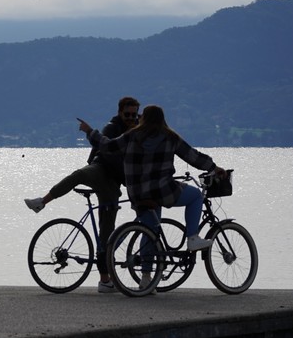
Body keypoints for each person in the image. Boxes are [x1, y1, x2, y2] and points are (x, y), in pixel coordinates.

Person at [23, 96, 139, 292]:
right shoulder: (112, 128)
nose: (130, 117)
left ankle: (105, 280)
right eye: (127, 114)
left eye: (134, 114)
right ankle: (42, 202)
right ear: (120, 112)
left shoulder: (139, 127)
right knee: (78, 175)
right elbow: (103, 146)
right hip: (100, 169)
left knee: (106, 235)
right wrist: (89, 135)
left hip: (113, 184)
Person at [86, 104, 223, 265]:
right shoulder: (170, 137)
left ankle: (146, 280)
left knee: (150, 231)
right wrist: (214, 167)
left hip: (138, 194)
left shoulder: (132, 135)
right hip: (163, 191)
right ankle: (192, 238)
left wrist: (90, 132)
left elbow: (108, 146)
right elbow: (193, 157)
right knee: (196, 196)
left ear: (143, 118)